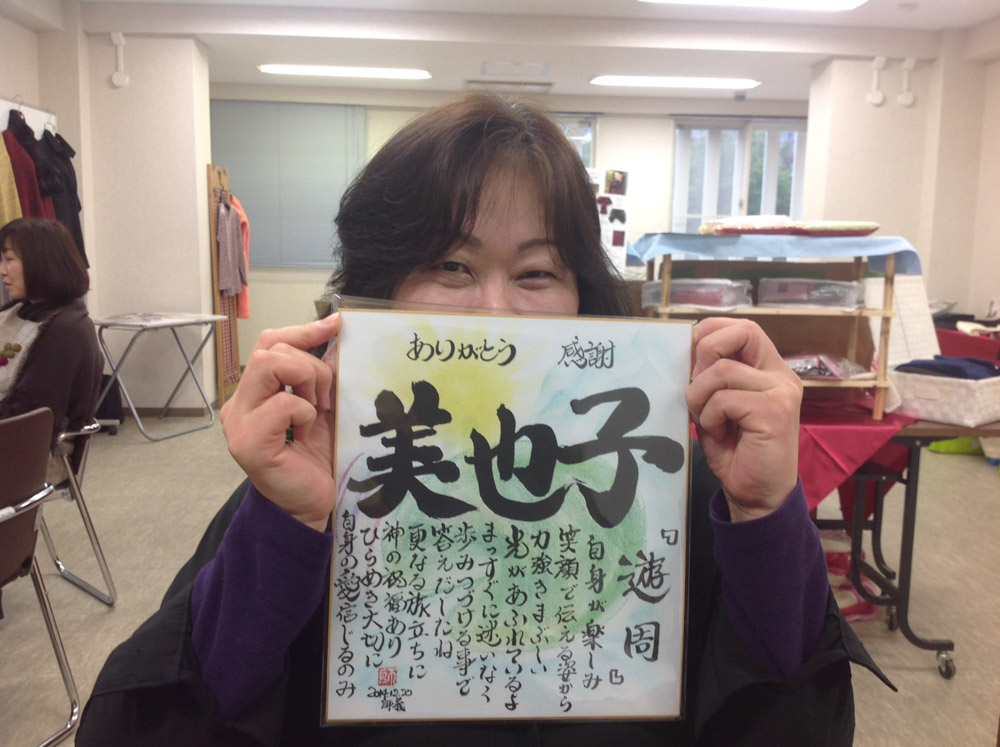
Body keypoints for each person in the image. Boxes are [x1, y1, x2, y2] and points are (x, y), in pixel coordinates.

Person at [77, 94, 888, 746]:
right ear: (381, 291)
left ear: (582, 298)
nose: (495, 312)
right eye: (451, 265)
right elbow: (172, 719)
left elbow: (794, 717)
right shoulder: (320, 477)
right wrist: (285, 523)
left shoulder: (665, 478)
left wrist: (765, 512)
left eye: (536, 272)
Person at [0, 217, 102, 469]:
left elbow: (28, 416)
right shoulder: (16, 312)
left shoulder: (67, 330)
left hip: (27, 458)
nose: (2, 270)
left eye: (9, 259)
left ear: (40, 262)